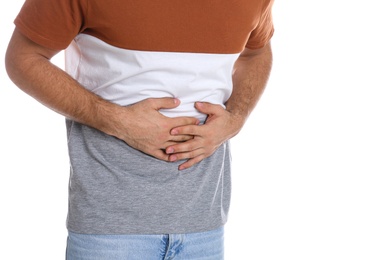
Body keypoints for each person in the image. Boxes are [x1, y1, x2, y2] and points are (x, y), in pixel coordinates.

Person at [5, 0, 274, 259]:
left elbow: (256, 51)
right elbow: (23, 58)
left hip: (205, 227)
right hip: (109, 233)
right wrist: (118, 121)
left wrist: (236, 117)